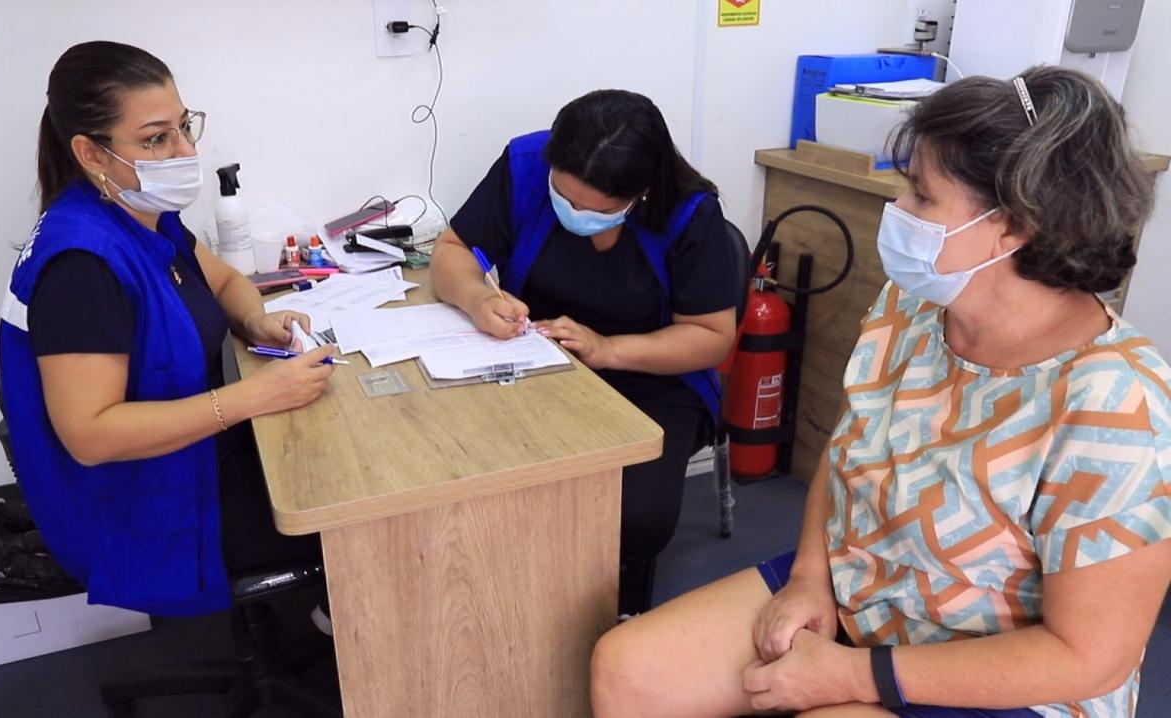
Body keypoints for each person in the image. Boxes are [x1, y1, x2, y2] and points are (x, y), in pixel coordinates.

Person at [589, 66, 1171, 717]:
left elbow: (1089, 657)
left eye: (921, 196)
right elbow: (849, 451)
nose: (897, 209)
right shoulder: (912, 306)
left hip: (1012, 678)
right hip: (865, 587)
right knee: (628, 669)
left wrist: (856, 675)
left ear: (1015, 225)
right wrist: (809, 579)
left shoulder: (1118, 405)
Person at [0, 41, 334, 617]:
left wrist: (257, 319)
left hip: (190, 457)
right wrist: (254, 396)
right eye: (156, 139)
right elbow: (90, 436)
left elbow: (225, 281)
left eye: (184, 126)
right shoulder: (82, 265)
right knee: (358, 507)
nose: (185, 151)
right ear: (91, 152)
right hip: (142, 512)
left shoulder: (139, 212)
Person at [430, 89, 742, 615]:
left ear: (641, 194)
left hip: (652, 378)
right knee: (464, 469)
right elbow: (453, 250)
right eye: (563, 197)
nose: (573, 214)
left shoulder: (690, 213)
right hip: (536, 357)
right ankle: (492, 599)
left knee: (634, 516)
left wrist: (609, 349)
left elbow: (711, 335)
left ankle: (597, 609)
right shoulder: (526, 166)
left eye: (596, 209)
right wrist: (478, 298)